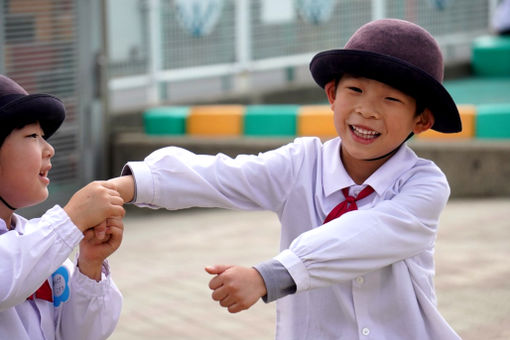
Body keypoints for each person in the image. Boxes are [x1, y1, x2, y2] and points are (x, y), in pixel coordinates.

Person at [109, 19, 462, 339]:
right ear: (332, 95)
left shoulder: (424, 185)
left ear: (422, 121)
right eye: (355, 90)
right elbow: (226, 175)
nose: (367, 110)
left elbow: (366, 234)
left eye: (390, 99)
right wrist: (126, 186)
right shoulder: (300, 164)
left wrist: (270, 276)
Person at [0, 74, 125, 340]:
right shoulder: (37, 247)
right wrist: (72, 217)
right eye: (32, 135)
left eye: (44, 136)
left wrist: (89, 265)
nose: (49, 149)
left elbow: (83, 335)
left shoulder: (34, 243)